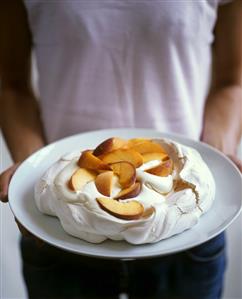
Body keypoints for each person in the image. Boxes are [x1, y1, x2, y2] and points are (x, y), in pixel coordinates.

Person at [0, 0, 241, 298]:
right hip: (61, 228)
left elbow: (233, 82)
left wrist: (215, 160)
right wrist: (30, 166)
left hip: (187, 226)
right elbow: (12, 85)